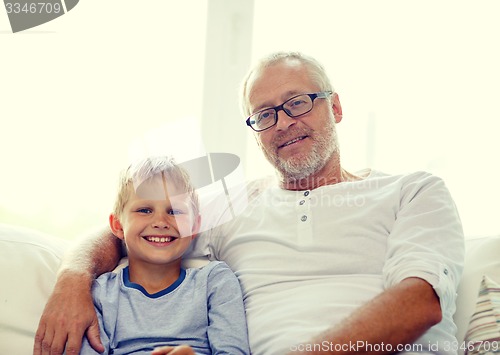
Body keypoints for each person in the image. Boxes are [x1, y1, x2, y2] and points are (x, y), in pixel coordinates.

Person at [34, 52, 464, 355]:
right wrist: (72, 280)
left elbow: (420, 300)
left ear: (334, 106)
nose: (283, 123)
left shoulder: (413, 190)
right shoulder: (231, 208)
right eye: (264, 114)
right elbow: (140, 227)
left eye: (297, 102)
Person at [78, 156, 250, 355]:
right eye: (144, 210)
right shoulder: (101, 293)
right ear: (118, 225)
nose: (160, 221)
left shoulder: (215, 282)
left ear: (194, 226)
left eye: (174, 211)